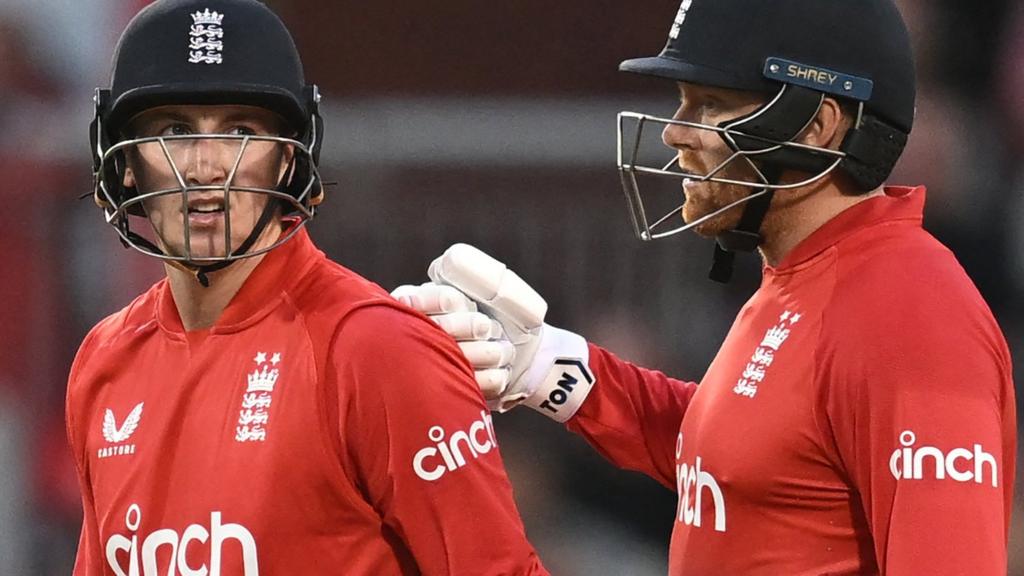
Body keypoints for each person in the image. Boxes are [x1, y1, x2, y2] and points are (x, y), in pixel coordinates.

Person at [393, 0, 1016, 574]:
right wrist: (550, 368)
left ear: (817, 125)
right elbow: (746, 461)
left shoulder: (909, 310)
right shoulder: (809, 278)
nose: (674, 131)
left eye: (711, 104)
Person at [65, 1, 547, 574]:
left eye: (241, 130)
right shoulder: (105, 359)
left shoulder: (376, 350)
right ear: (123, 165)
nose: (205, 165)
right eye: (174, 130)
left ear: (290, 162)